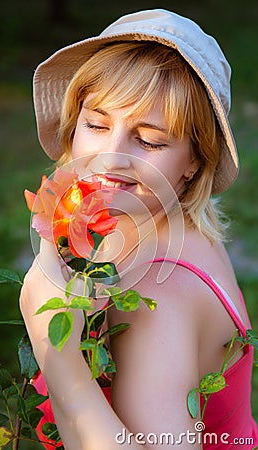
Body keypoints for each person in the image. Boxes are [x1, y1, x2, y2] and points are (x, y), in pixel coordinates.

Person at [20, 9, 258, 449]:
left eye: (149, 140)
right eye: (96, 125)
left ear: (194, 161)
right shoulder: (156, 224)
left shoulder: (155, 293)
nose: (111, 157)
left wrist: (59, 356)